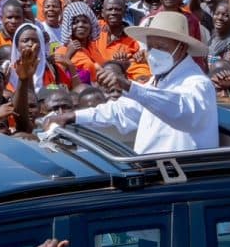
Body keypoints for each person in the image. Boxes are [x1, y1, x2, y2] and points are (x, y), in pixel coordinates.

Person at [43, 13, 218, 153]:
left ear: (182, 47)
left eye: (162, 47)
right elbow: (122, 111)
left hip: (183, 181)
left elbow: (179, 110)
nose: (154, 53)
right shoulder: (158, 80)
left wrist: (128, 86)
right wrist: (74, 116)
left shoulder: (197, 84)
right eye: (150, 47)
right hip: (155, 172)